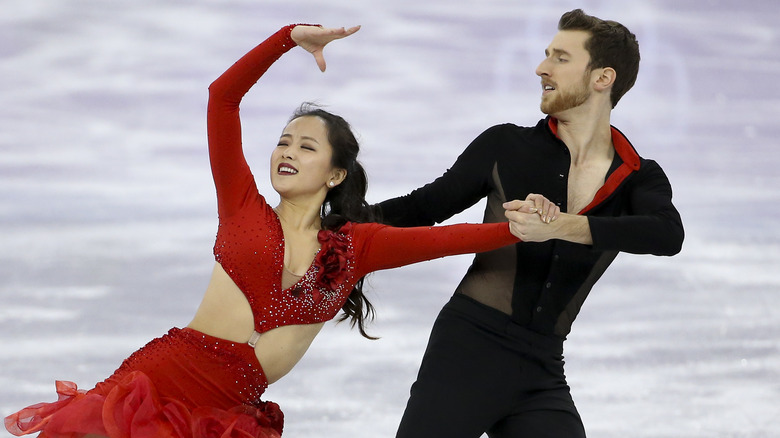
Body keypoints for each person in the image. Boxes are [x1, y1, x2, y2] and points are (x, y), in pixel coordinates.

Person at [4, 24, 524, 438]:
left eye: (305, 147)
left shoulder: (357, 245)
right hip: (161, 384)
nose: (287, 153)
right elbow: (222, 99)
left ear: (336, 174)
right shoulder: (243, 206)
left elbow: (450, 240)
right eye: (283, 142)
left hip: (229, 412)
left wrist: (521, 229)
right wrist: (285, 39)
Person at [375, 9, 685, 438]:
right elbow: (421, 208)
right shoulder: (506, 145)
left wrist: (560, 226)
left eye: (560, 58)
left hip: (542, 367)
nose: (542, 68)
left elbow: (667, 235)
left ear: (602, 78)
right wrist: (321, 220)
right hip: (467, 348)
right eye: (546, 55)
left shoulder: (637, 176)